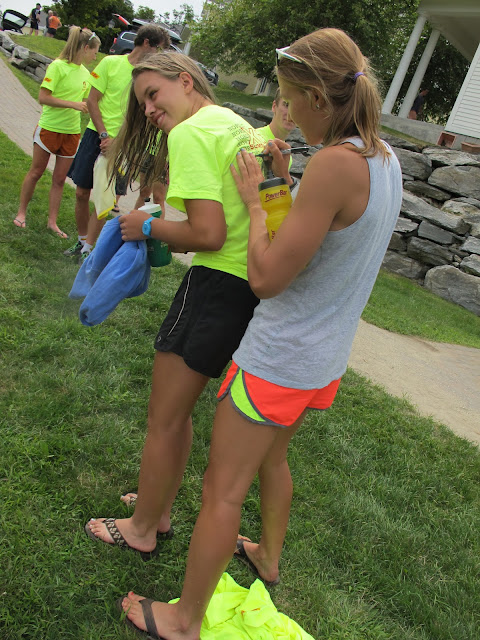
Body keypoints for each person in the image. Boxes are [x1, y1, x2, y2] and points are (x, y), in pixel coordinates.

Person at [116, 28, 403, 640]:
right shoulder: (384, 160)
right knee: (275, 459)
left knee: (222, 491)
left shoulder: (333, 163)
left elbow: (268, 277)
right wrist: (278, 183)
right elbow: (313, 237)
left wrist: (251, 198)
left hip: (278, 357)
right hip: (323, 362)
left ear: (318, 98)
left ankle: (184, 620)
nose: (287, 113)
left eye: (290, 100)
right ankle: (268, 556)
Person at [85, 52, 267, 557]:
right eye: (142, 102)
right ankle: (157, 504)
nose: (148, 110)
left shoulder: (190, 133)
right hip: (243, 287)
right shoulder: (235, 124)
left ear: (185, 81)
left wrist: (144, 225)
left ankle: (143, 527)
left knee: (164, 416)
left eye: (152, 94)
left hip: (215, 283)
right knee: (178, 412)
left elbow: (207, 234)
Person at [63, 24, 171, 262]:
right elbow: (92, 101)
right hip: (96, 135)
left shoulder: (149, 77)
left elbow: (143, 115)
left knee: (105, 198)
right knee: (81, 192)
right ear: (147, 43)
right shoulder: (110, 63)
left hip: (125, 145)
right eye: (159, 49)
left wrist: (119, 142)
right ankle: (82, 240)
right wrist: (104, 136)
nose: (160, 55)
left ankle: (89, 249)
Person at [13, 27, 101, 237]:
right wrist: (73, 104)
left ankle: (52, 222)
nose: (95, 56)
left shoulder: (86, 74)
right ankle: (21, 212)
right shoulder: (57, 66)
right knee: (36, 172)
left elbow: (88, 101)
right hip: (49, 129)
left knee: (60, 180)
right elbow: (43, 98)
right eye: (94, 52)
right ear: (85, 48)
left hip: (71, 133)